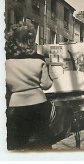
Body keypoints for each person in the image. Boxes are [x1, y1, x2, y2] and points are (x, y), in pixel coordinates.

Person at [5, 21, 53, 150]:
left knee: (17, 144)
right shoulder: (38, 59)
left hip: (16, 105)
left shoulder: (6, 61)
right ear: (30, 39)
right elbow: (46, 85)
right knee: (42, 143)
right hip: (39, 103)